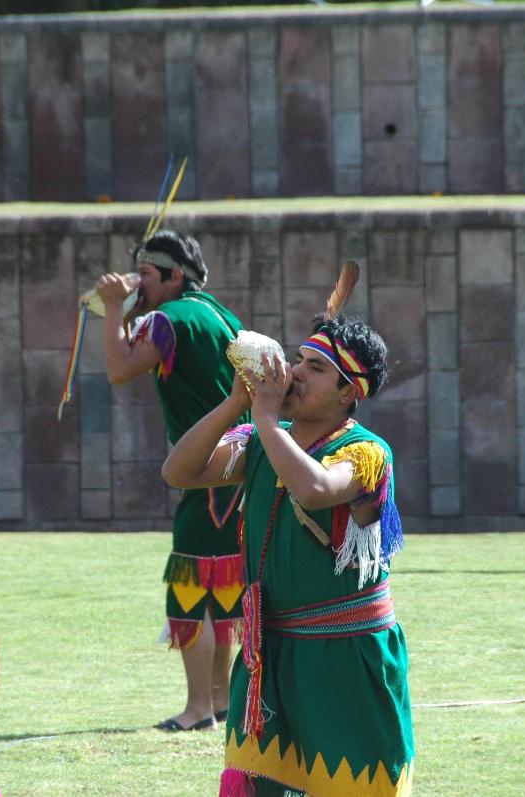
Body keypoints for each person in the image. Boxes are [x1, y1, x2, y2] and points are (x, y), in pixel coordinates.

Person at [163, 315, 414, 797]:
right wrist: (235, 403)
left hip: (345, 656)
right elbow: (179, 471)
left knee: (351, 785)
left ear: (348, 392)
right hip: (269, 654)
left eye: (316, 368)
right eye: (298, 359)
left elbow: (316, 489)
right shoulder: (262, 439)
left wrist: (262, 419)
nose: (295, 372)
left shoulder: (367, 452)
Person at [94, 229, 247, 731]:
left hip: (207, 468)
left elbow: (119, 370)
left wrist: (112, 309)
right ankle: (219, 701)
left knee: (191, 582)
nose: (137, 283)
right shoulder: (219, 314)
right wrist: (128, 312)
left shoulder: (167, 319)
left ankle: (198, 708)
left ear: (174, 276)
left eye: (145, 274)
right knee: (223, 581)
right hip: (241, 464)